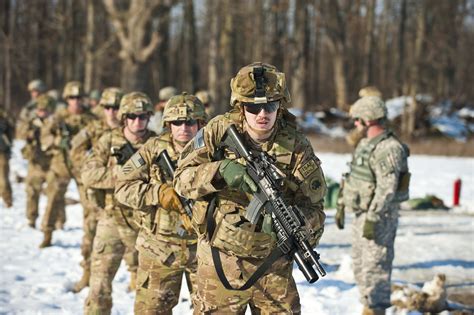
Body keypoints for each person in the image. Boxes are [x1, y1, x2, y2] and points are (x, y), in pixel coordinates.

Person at [173, 62, 327, 314]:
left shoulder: (296, 146)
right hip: (221, 260)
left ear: (280, 106)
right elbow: (180, 180)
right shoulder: (218, 131)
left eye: (270, 106)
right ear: (240, 107)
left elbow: (316, 208)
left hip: (273, 264)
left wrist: (300, 221)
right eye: (253, 107)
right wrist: (219, 171)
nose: (262, 114)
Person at [115, 92, 207, 314]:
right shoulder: (152, 149)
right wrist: (157, 193)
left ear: (200, 123)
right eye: (177, 122)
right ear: (168, 124)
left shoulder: (212, 150)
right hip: (159, 249)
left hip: (204, 248)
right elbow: (122, 188)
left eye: (189, 122)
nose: (183, 127)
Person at [82, 92, 156, 314]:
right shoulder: (108, 140)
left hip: (146, 220)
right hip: (112, 218)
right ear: (124, 117)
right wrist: (125, 174)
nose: (137, 122)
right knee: (99, 286)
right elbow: (88, 174)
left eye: (143, 117)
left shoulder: (157, 142)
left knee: (152, 293)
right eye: (132, 116)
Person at [336, 96, 410, 315]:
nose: (355, 125)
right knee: (360, 266)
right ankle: (367, 306)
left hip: (380, 218)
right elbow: (354, 176)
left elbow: (387, 188)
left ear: (368, 119)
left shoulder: (389, 148)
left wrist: (374, 217)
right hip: (361, 215)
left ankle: (376, 309)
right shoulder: (365, 144)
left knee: (375, 268)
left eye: (358, 120)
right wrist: (341, 204)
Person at [69, 87, 123, 293]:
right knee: (91, 231)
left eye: (116, 107)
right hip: (96, 192)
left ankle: (135, 276)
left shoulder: (131, 129)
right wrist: (91, 169)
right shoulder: (93, 128)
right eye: (108, 107)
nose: (112, 112)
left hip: (125, 193)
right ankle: (87, 273)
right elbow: (75, 150)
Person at [39, 81, 96, 248]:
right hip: (60, 166)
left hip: (83, 168)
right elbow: (44, 138)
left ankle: (90, 238)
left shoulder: (91, 119)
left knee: (90, 205)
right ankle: (47, 233)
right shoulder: (58, 117)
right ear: (66, 99)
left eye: (78, 97)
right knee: (52, 201)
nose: (76, 101)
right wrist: (57, 141)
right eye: (72, 97)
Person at [20, 95, 55, 227]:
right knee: (32, 192)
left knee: (55, 195)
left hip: (52, 163)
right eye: (40, 110)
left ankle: (56, 221)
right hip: (35, 163)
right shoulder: (32, 123)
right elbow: (20, 134)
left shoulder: (54, 122)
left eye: (45, 110)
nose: (42, 112)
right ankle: (31, 218)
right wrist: (29, 133)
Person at [0, 108, 14, 208]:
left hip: (2, 152)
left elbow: (11, 132)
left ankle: (8, 200)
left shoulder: (4, 115)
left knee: (3, 179)